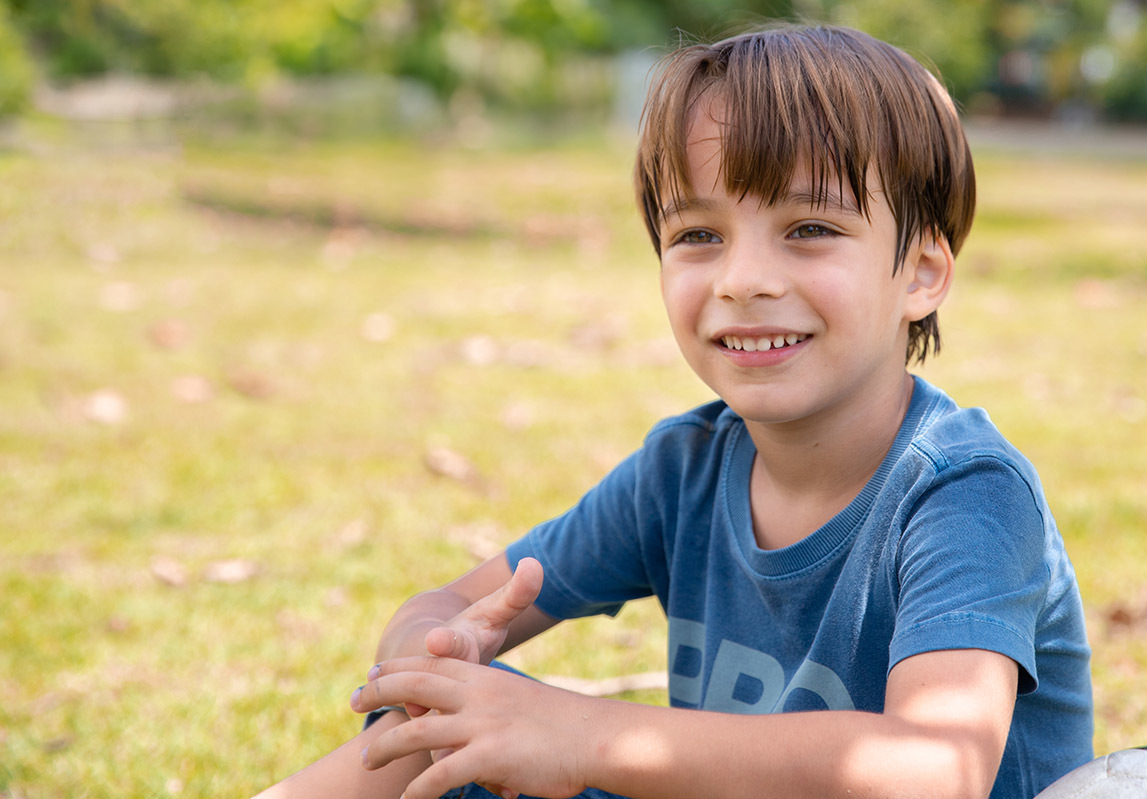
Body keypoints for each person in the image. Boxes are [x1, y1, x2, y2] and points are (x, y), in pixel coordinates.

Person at [255, 23, 1093, 799]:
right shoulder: (685, 470)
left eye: (808, 227)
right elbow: (442, 606)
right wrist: (435, 655)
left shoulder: (964, 493)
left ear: (920, 272)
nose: (743, 279)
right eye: (699, 235)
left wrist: (588, 733)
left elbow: (934, 767)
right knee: (434, 730)